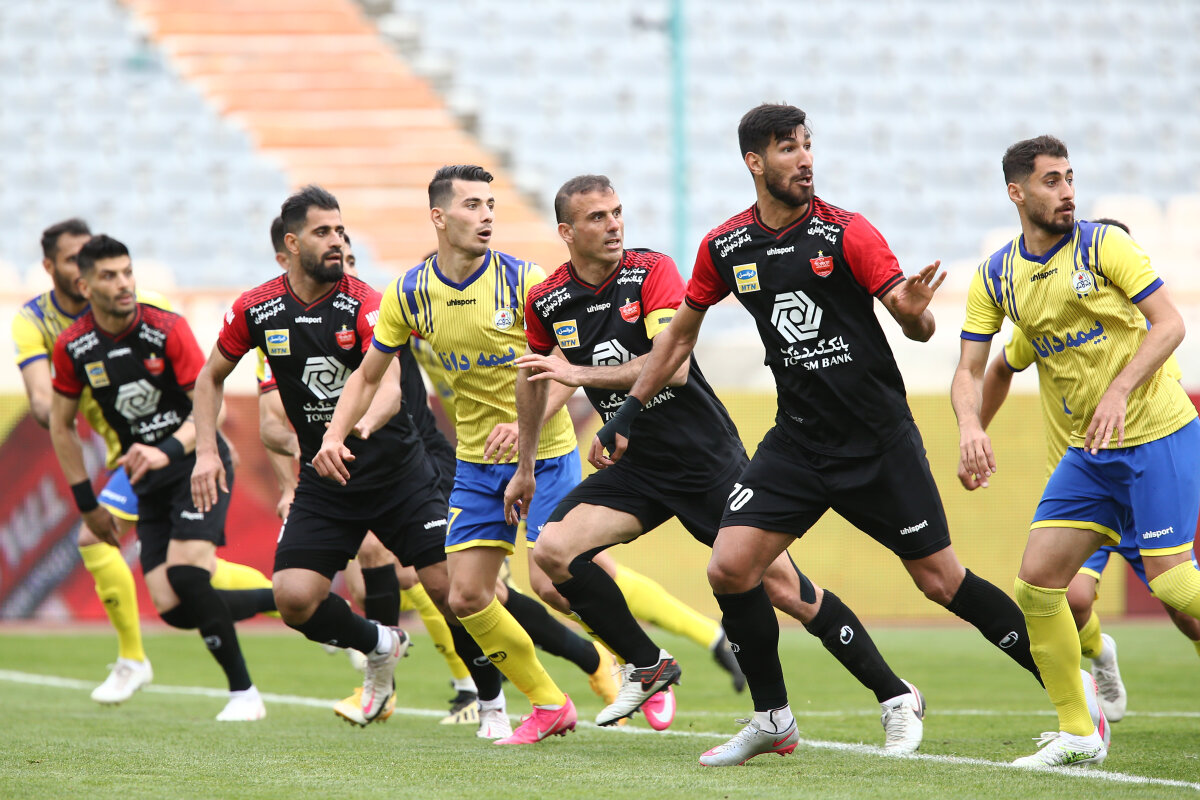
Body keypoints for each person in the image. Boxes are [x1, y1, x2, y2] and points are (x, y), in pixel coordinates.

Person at [599, 104, 1057, 766]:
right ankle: (772, 719)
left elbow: (913, 321)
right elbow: (678, 337)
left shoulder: (846, 232)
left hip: (876, 442)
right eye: (788, 148)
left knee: (941, 581)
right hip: (798, 443)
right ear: (755, 162)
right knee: (730, 567)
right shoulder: (725, 246)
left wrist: (915, 316)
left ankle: (1069, 694)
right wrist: (629, 410)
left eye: (808, 145)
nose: (805, 159)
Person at [514, 174, 926, 750]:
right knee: (553, 552)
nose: (613, 226)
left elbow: (672, 366)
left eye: (617, 212)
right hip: (635, 468)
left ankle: (894, 694)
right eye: (597, 217)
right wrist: (525, 465)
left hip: (704, 460)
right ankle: (646, 665)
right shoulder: (548, 300)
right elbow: (534, 378)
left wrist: (577, 374)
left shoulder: (650, 271)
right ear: (566, 231)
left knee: (785, 588)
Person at [191, 186, 504, 730]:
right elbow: (208, 378)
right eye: (323, 232)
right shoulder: (256, 309)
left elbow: (387, 389)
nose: (337, 240)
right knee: (294, 598)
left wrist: (349, 431)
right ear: (291, 245)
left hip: (398, 474)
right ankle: (380, 642)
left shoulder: (366, 301)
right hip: (327, 480)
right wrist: (203, 453)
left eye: (340, 230)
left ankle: (492, 705)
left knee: (449, 589)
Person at [953, 135, 1200, 767]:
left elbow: (1171, 323)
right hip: (1090, 455)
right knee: (1038, 587)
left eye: (1070, 178)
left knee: (1176, 588)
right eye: (1051, 181)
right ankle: (1080, 734)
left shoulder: (1104, 245)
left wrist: (1120, 389)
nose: (1066, 191)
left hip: (1156, 435)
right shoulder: (997, 276)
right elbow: (972, 368)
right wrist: (971, 427)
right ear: (1017, 192)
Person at [14, 218, 273, 705]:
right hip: (126, 453)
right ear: (56, 269)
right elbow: (45, 405)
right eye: (73, 260)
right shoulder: (36, 323)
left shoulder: (144, 307)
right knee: (190, 578)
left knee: (139, 554)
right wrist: (67, 396)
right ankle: (296, 603)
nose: (116, 281)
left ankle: (138, 660)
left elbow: (193, 386)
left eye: (121, 272)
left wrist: (207, 438)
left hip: (159, 450)